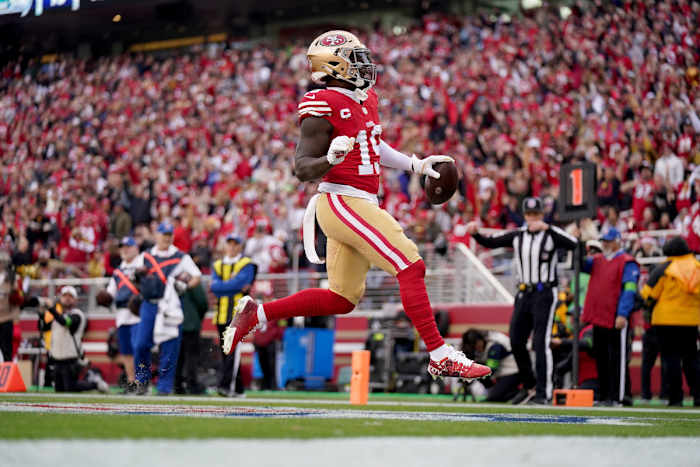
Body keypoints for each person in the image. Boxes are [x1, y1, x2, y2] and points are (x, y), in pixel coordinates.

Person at [221, 30, 491, 383]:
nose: (364, 65)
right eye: (355, 59)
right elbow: (301, 167)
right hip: (341, 199)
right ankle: (440, 355)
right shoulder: (322, 103)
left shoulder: (365, 98)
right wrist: (329, 160)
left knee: (342, 298)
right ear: (335, 65)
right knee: (410, 264)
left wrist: (416, 165)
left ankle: (257, 314)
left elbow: (373, 146)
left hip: (357, 201)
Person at [465, 197, 579, 404]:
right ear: (525, 216)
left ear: (542, 215)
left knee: (540, 342)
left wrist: (548, 228)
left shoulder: (550, 234)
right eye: (529, 215)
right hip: (524, 293)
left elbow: (573, 243)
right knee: (516, 340)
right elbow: (492, 241)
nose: (533, 219)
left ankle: (544, 393)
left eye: (536, 214)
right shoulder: (519, 235)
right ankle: (530, 385)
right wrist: (475, 233)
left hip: (544, 293)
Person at [132, 221, 202, 395]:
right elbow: (134, 276)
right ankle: (142, 381)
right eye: (164, 234)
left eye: (169, 235)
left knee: (170, 346)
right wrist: (139, 280)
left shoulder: (181, 256)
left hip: (170, 305)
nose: (166, 238)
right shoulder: (146, 256)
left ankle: (164, 387)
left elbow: (197, 276)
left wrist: (185, 286)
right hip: (149, 304)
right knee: (141, 344)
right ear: (157, 235)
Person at [581, 228, 640, 407]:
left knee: (617, 359)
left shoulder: (627, 262)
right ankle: (605, 395)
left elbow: (629, 290)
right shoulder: (598, 260)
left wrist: (623, 313)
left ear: (617, 241)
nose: (605, 244)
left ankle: (618, 397)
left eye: (608, 241)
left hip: (615, 318)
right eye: (603, 241)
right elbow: (580, 264)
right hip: (599, 317)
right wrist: (579, 242)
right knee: (601, 359)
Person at [640, 236, 700, 406]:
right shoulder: (697, 267)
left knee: (671, 359)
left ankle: (675, 398)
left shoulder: (664, 268)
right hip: (690, 321)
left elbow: (648, 294)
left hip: (665, 321)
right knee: (692, 359)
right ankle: (698, 395)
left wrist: (648, 307)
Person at [37, 286, 108, 393]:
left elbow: (65, 322)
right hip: (57, 359)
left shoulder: (77, 314)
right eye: (65, 296)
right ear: (60, 298)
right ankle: (94, 384)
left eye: (70, 296)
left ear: (75, 300)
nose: (67, 298)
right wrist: (42, 314)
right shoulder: (57, 316)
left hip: (70, 359)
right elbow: (43, 328)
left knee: (70, 388)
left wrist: (51, 308)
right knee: (59, 390)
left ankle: (95, 385)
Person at [211, 234, 257, 397]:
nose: (231, 247)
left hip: (238, 314)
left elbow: (240, 283)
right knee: (226, 351)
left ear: (240, 246)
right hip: (221, 314)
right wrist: (232, 285)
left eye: (235, 244)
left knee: (232, 351)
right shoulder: (218, 264)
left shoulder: (247, 264)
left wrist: (224, 285)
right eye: (229, 244)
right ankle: (238, 388)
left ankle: (225, 386)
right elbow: (214, 287)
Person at [103, 236, 141, 393]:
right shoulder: (118, 272)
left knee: (139, 349)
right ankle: (132, 383)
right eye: (122, 247)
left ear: (135, 248)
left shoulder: (143, 265)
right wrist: (104, 297)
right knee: (126, 351)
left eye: (128, 246)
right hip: (122, 315)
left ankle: (142, 382)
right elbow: (110, 293)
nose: (125, 250)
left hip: (139, 314)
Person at [461, 329, 520, 402]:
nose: (475, 347)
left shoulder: (494, 346)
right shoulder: (477, 349)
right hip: (501, 375)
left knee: (494, 397)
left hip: (513, 372)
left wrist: (471, 374)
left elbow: (491, 370)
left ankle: (516, 393)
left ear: (480, 340)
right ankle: (500, 392)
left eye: (475, 344)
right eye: (471, 346)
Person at [174, 282, 209, 395]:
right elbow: (202, 302)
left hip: (174, 323)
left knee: (177, 356)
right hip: (190, 323)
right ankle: (192, 384)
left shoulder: (171, 278)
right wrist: (197, 317)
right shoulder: (192, 279)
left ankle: (177, 384)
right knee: (191, 357)